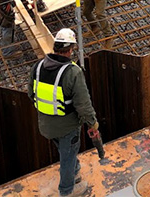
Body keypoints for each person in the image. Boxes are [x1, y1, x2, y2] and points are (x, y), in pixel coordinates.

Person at [29, 28, 99, 197]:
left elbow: (31, 94)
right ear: (70, 50)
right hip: (67, 127)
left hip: (45, 125)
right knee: (67, 157)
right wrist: (93, 124)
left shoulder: (37, 67)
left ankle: (74, 173)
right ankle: (67, 191)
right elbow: (83, 104)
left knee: (66, 151)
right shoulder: (72, 72)